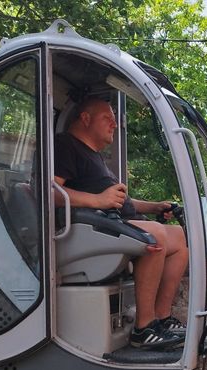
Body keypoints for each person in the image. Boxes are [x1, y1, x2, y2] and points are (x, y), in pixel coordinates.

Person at [54, 95, 188, 350]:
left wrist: (153, 206)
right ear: (85, 118)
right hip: (87, 230)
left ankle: (161, 319)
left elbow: (118, 200)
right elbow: (49, 192)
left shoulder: (93, 156)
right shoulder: (65, 146)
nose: (114, 125)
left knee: (179, 238)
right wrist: (98, 200)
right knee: (157, 235)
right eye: (108, 119)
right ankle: (144, 329)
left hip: (109, 223)